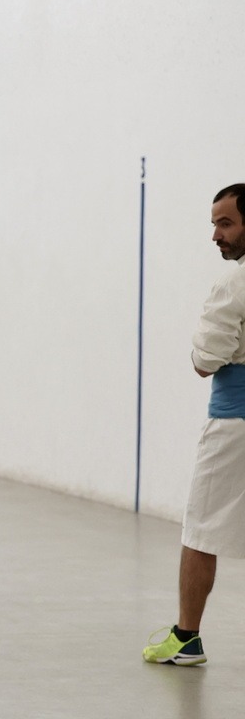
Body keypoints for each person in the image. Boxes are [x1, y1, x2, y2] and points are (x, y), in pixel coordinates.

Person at [143, 184, 245, 667]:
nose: (216, 235)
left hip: (233, 426)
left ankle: (186, 638)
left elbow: (206, 360)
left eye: (225, 224)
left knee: (201, 529)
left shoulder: (233, 284)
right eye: (214, 224)